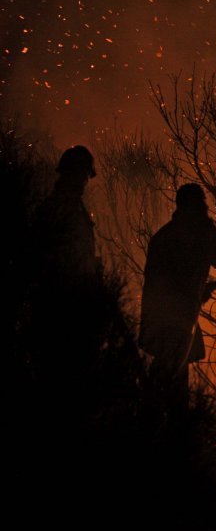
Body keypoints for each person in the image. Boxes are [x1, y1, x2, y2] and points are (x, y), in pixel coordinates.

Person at [139, 183, 216, 402]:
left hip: (158, 319)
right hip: (179, 319)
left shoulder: (164, 236)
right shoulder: (198, 232)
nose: (205, 207)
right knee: (170, 381)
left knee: (168, 377)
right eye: (202, 203)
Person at [28, 145, 103, 380]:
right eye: (83, 175)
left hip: (73, 300)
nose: (85, 181)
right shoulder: (59, 208)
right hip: (63, 304)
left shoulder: (68, 206)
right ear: (74, 173)